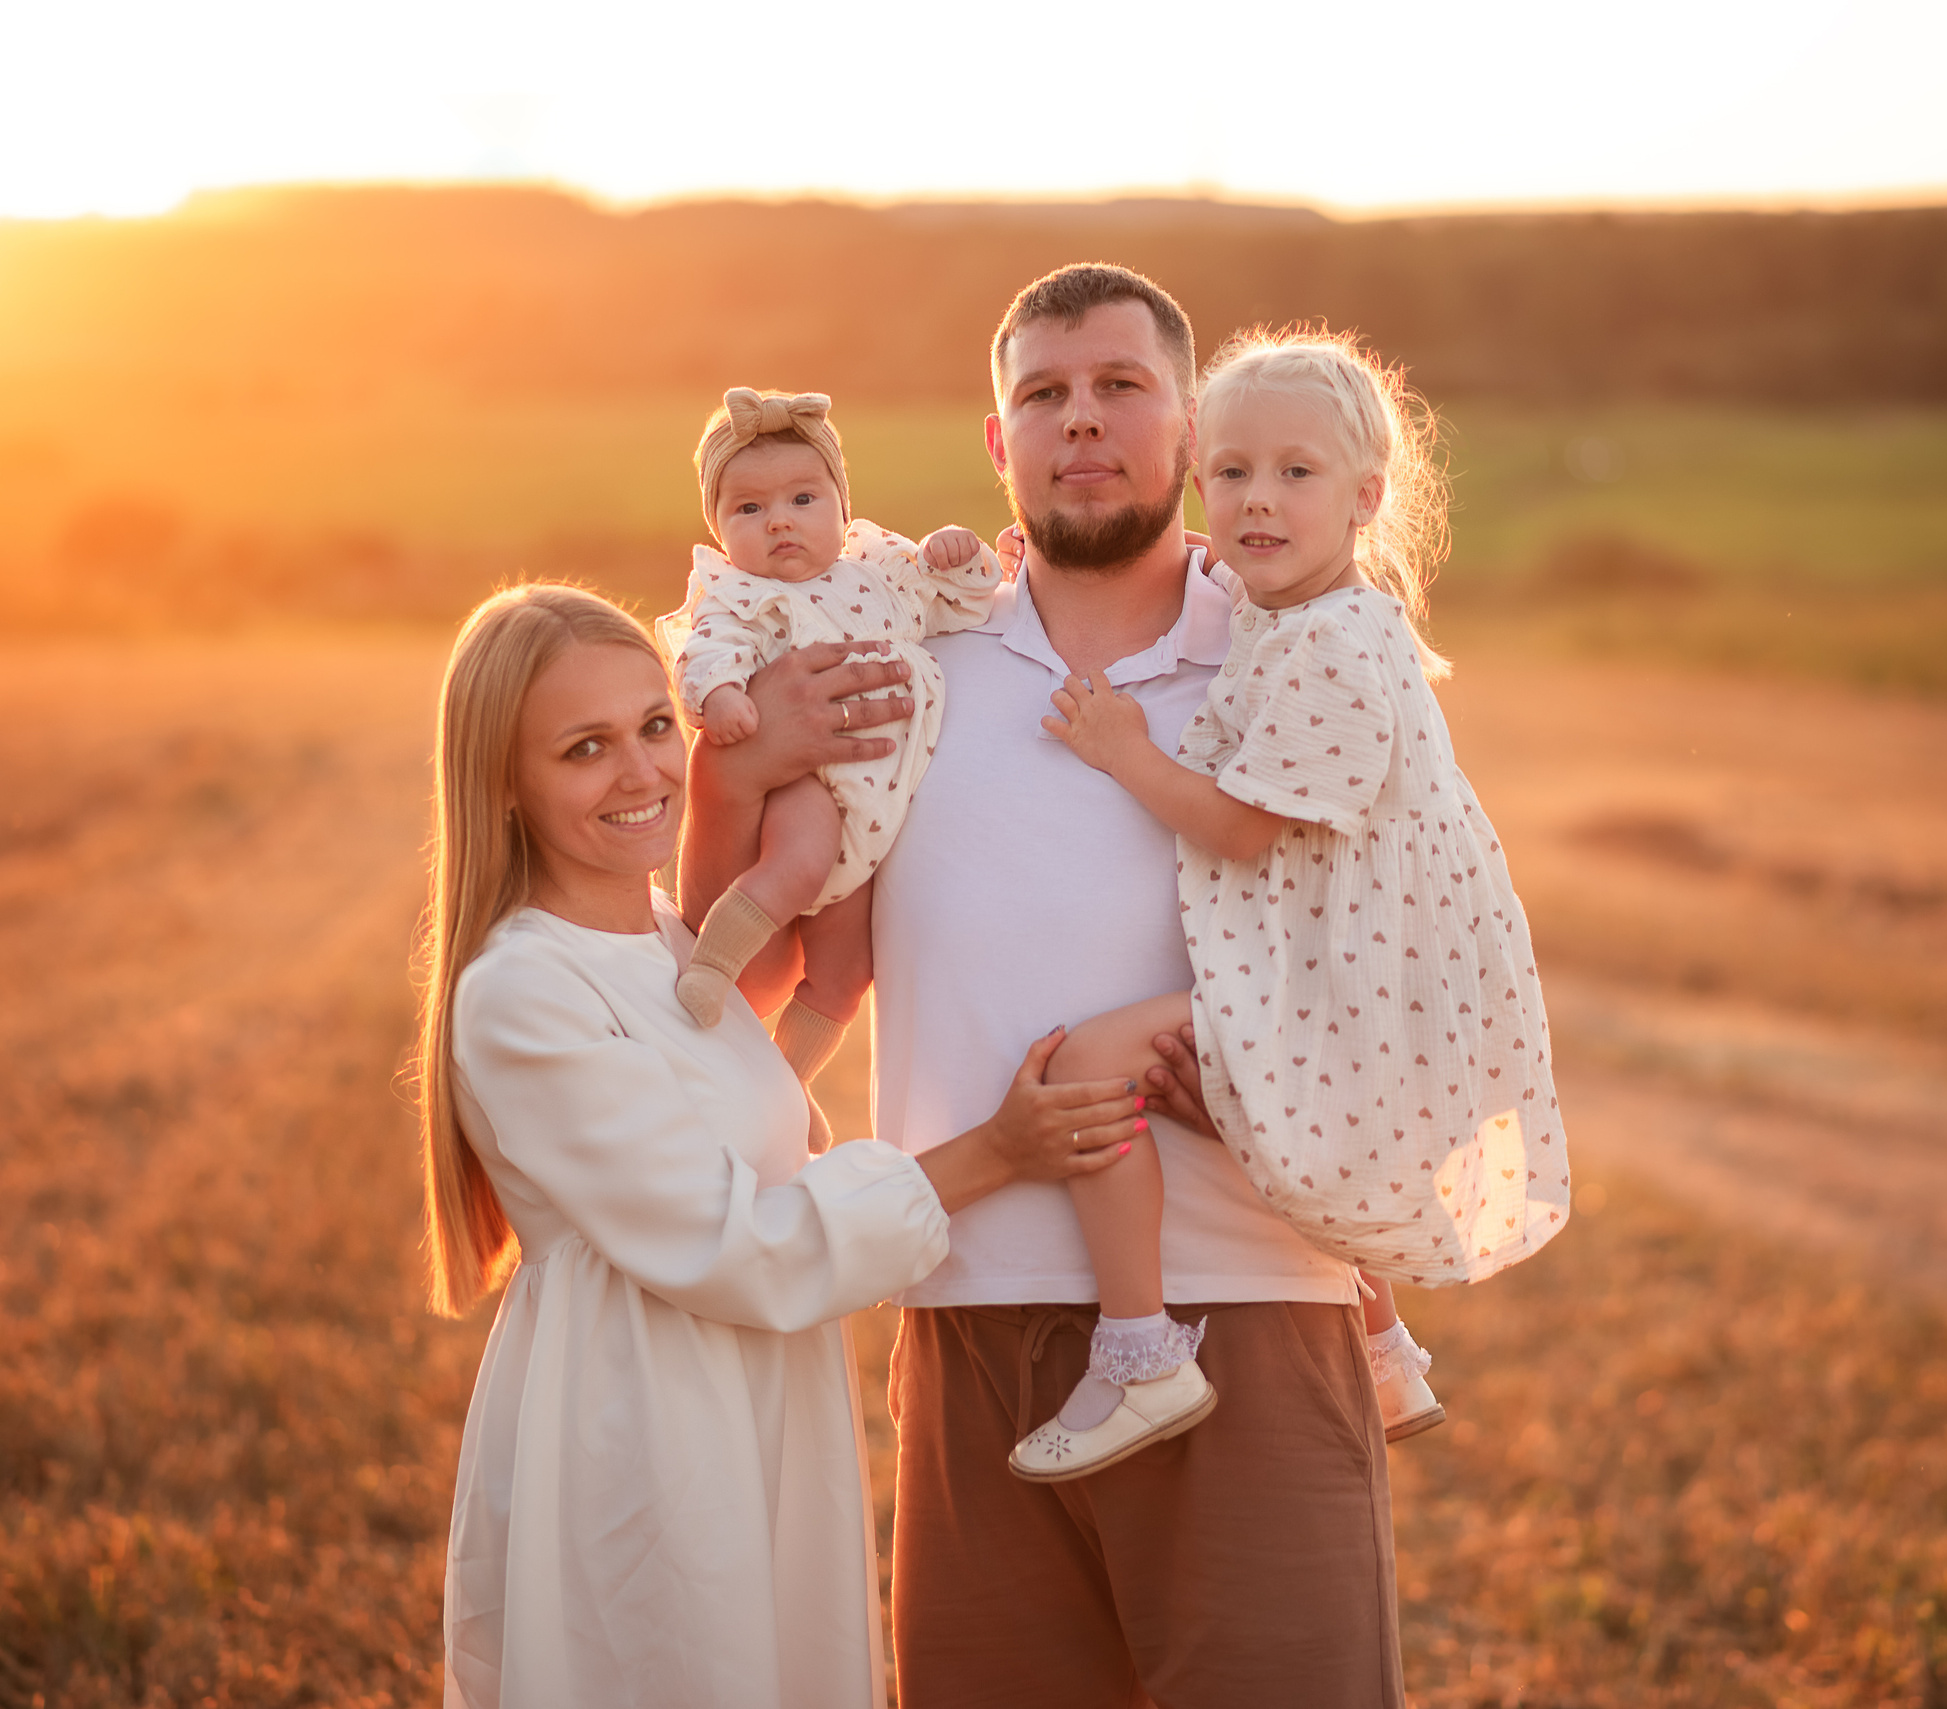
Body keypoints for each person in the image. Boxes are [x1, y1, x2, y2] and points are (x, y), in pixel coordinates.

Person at [685, 265, 1405, 1707]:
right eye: (1044, 394)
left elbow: (1403, 959)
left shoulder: (1304, 644)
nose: (1083, 421)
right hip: (966, 1307)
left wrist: (1268, 1063)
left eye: (1122, 387)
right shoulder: (906, 653)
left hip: (1248, 1298)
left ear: (1193, 429)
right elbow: (743, 979)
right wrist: (737, 768)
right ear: (997, 444)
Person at [414, 583, 1145, 1708]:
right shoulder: (521, 989)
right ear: (502, 785)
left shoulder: (675, 947)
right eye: (583, 748)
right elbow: (739, 1242)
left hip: (757, 1397)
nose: (640, 771)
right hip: (644, 1424)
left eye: (655, 725)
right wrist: (994, 1150)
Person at [1017, 328, 1572, 1482]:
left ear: (1368, 494)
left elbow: (1235, 824)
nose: (1255, 502)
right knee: (1287, 1119)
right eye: (1230, 474)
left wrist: (1124, 748)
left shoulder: (1330, 651)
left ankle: (1140, 1348)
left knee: (1085, 1066)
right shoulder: (1306, 610)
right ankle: (1381, 1346)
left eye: (1294, 474)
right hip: (1344, 964)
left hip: (1339, 982)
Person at [656, 387, 1004, 1150]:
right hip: (811, 781)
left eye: (802, 497)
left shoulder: (878, 565)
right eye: (748, 509)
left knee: (849, 970)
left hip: (880, 807)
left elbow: (965, 600)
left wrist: (959, 552)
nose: (778, 519)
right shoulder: (738, 593)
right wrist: (718, 696)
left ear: (841, 508)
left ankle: (785, 1083)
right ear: (718, 527)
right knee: (797, 865)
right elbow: (704, 650)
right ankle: (710, 969)